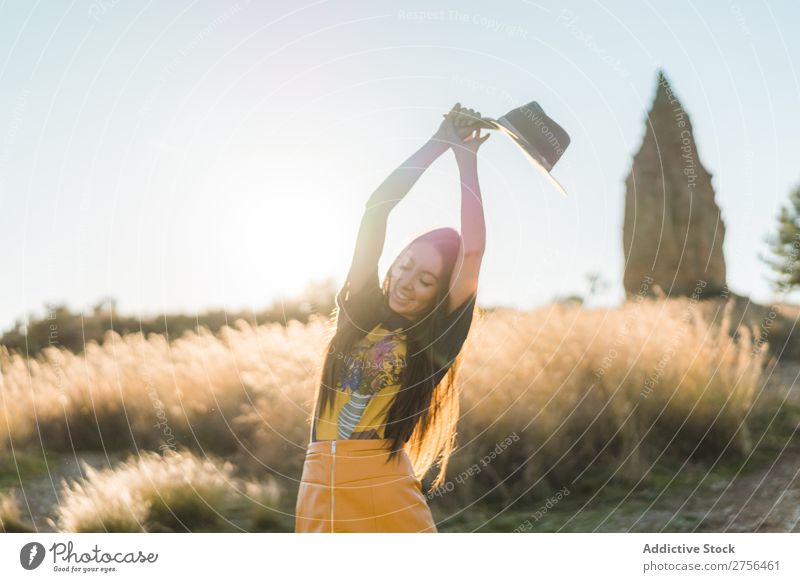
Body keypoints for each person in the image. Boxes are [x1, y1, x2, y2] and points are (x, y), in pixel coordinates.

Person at [294, 103, 489, 533]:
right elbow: (376, 209)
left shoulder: (433, 340)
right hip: (319, 485)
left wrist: (466, 161)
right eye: (404, 263)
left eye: (425, 280)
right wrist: (439, 142)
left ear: (440, 294)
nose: (405, 281)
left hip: (384, 484)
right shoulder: (359, 312)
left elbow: (472, 252)